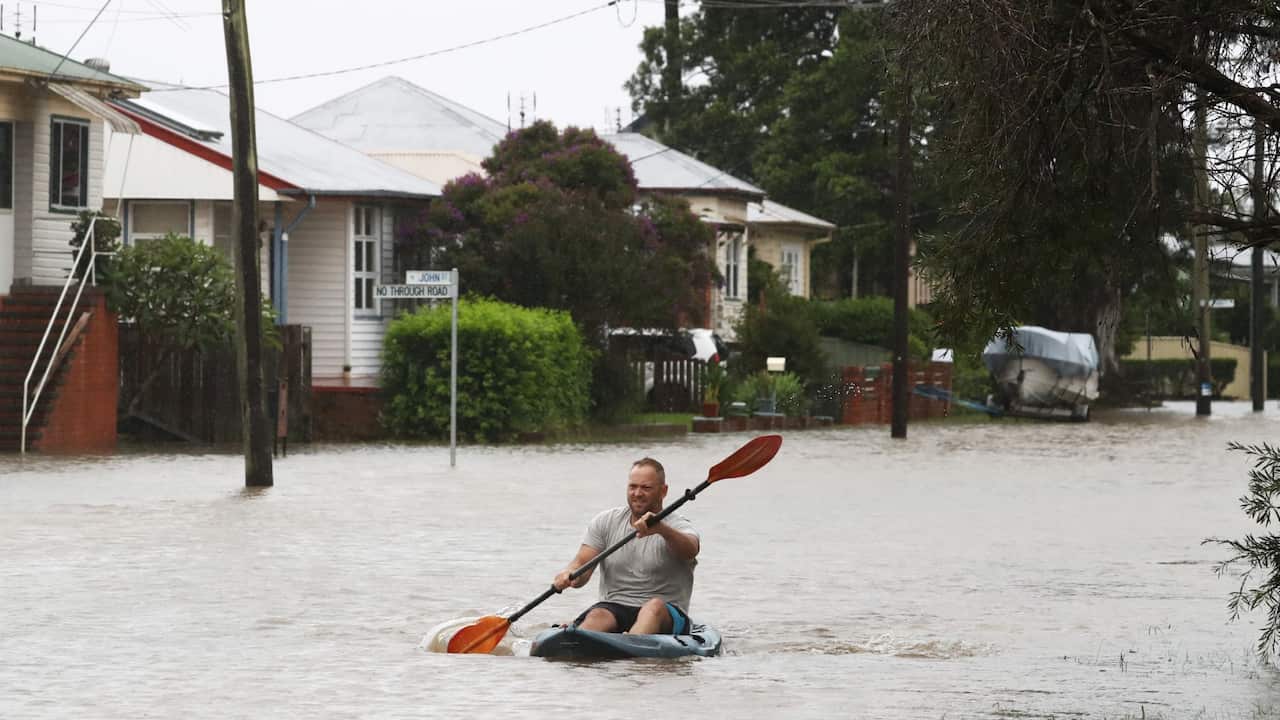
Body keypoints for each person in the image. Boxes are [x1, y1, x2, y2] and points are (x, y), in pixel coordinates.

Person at [552, 457, 700, 635]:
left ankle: (632, 649)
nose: (637, 493)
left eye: (646, 488)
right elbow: (581, 565)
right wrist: (569, 575)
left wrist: (662, 530)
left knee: (653, 607)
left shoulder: (678, 525)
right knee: (598, 614)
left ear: (663, 491)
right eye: (633, 486)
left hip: (665, 613)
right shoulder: (606, 521)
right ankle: (581, 643)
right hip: (614, 607)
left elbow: (690, 550)